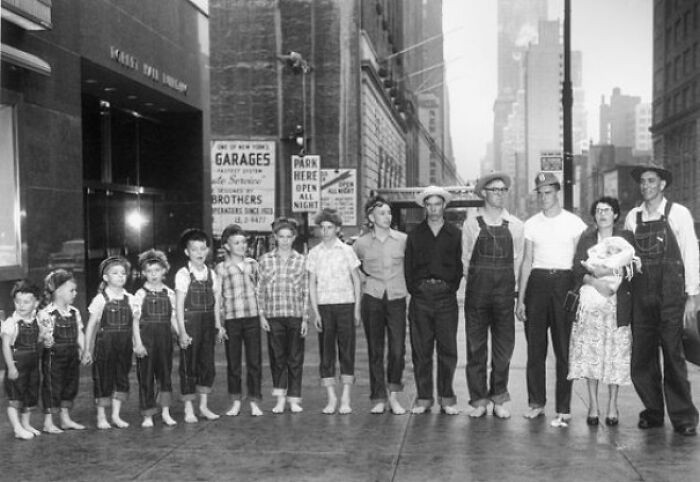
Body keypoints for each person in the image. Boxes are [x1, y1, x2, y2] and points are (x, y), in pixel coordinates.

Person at [624, 163, 699, 436]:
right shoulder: (633, 217)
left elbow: (690, 254)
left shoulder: (678, 214)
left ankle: (684, 417)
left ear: (662, 184)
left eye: (651, 181)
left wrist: (693, 296)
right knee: (642, 357)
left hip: (671, 295)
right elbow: (625, 257)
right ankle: (652, 412)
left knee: (673, 355)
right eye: (642, 181)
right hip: (641, 295)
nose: (646, 186)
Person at [516, 172, 586, 427]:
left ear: (557, 192)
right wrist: (520, 299)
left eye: (548, 192)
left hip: (564, 283)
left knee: (564, 350)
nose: (544, 197)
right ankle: (536, 403)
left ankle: (564, 407)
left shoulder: (574, 223)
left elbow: (580, 262)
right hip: (537, 284)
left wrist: (578, 292)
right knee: (535, 349)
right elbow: (526, 262)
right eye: (540, 193)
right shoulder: (531, 224)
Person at [568, 197, 635, 427]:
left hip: (617, 305)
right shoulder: (586, 238)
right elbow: (577, 270)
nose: (602, 214)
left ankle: (612, 405)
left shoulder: (626, 238)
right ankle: (594, 406)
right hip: (591, 305)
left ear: (615, 215)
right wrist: (595, 281)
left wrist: (609, 272)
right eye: (598, 211)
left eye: (607, 210)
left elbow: (633, 269)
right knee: (592, 353)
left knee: (615, 355)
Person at [462, 173, 523, 419]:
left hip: (504, 295)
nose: (499, 194)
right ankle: (478, 401)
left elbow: (518, 262)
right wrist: (478, 282)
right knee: (475, 348)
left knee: (503, 348)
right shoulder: (471, 224)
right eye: (494, 189)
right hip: (477, 294)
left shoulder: (516, 225)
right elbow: (465, 260)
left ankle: (498, 398)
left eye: (502, 190)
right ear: (484, 193)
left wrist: (513, 292)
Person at [405, 186, 463, 415]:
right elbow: (408, 266)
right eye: (429, 205)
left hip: (446, 297)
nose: (433, 209)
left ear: (444, 206)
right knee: (421, 350)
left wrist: (450, 287)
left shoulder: (454, 234)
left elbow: (459, 265)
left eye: (437, 204)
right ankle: (424, 398)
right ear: (424, 207)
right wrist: (416, 289)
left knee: (448, 350)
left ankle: (447, 399)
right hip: (421, 297)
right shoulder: (415, 234)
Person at [354, 196, 408, 415]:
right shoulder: (361, 243)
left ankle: (394, 396)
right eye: (382, 213)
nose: (387, 217)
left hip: (396, 298)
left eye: (389, 213)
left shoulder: (403, 240)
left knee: (397, 349)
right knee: (375, 350)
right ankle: (378, 397)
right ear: (371, 217)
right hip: (372, 298)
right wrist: (362, 280)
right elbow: (353, 266)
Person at [307, 207, 362, 415]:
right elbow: (311, 284)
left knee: (347, 351)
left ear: (337, 228)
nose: (325, 231)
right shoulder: (314, 253)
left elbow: (357, 280)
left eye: (329, 227)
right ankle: (331, 397)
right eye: (322, 227)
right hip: (325, 306)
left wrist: (357, 309)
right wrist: (316, 311)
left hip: (346, 304)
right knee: (326, 352)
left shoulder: (347, 250)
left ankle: (346, 396)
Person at [257, 217, 309, 414]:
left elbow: (306, 291)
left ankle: (294, 398)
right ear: (275, 237)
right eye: (281, 236)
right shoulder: (265, 260)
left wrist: (305, 318)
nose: (285, 240)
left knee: (295, 359)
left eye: (288, 236)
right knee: (277, 358)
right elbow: (260, 289)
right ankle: (280, 398)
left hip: (295, 315)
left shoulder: (301, 260)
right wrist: (262, 315)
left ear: (294, 238)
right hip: (274, 316)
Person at [175, 228, 226, 423]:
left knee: (207, 365)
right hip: (190, 324)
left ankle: (203, 407)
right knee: (189, 366)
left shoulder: (211, 274)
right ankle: (189, 408)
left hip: (207, 325)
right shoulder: (183, 274)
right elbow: (179, 305)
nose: (199, 253)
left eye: (203, 248)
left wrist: (218, 325)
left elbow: (216, 303)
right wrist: (182, 331)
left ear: (207, 250)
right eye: (194, 249)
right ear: (187, 252)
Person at [82, 256, 138, 429]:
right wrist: (87, 349)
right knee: (103, 379)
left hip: (124, 345)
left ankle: (115, 415)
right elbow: (91, 326)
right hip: (105, 345)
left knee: (122, 378)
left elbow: (135, 324)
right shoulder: (100, 299)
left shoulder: (131, 299)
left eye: (123, 273)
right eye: (115, 273)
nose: (120, 276)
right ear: (105, 277)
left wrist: (137, 343)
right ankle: (101, 416)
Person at [216, 224, 263, 417]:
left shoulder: (253, 264)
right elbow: (218, 297)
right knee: (233, 363)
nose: (242, 246)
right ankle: (235, 401)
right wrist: (219, 324)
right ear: (227, 246)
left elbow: (260, 291)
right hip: (232, 319)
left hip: (252, 318)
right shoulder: (221, 268)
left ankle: (254, 401)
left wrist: (262, 315)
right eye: (236, 243)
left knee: (254, 362)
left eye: (244, 242)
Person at [132, 249, 179, 427]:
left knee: (165, 376)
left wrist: (181, 334)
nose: (153, 274)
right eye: (149, 271)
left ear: (164, 270)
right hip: (146, 341)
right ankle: (148, 415)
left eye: (157, 270)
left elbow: (173, 318)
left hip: (165, 341)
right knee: (145, 377)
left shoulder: (170, 293)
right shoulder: (140, 294)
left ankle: (166, 412)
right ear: (144, 272)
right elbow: (135, 321)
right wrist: (138, 343)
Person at [38, 270, 86, 433]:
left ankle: (65, 419)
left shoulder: (74, 312)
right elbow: (42, 336)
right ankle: (48, 422)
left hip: (72, 355)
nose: (75, 293)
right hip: (54, 358)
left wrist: (84, 349)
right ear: (58, 291)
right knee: (53, 387)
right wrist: (45, 338)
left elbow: (80, 333)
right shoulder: (46, 314)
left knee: (70, 386)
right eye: (71, 290)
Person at [2, 281, 43, 440]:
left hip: (32, 365)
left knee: (29, 396)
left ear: (36, 303)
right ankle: (17, 428)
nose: (21, 305)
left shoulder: (36, 321)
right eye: (18, 301)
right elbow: (6, 346)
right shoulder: (11, 323)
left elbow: (37, 339)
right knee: (15, 398)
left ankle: (25, 424)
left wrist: (44, 338)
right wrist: (11, 367)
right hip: (17, 365)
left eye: (26, 302)